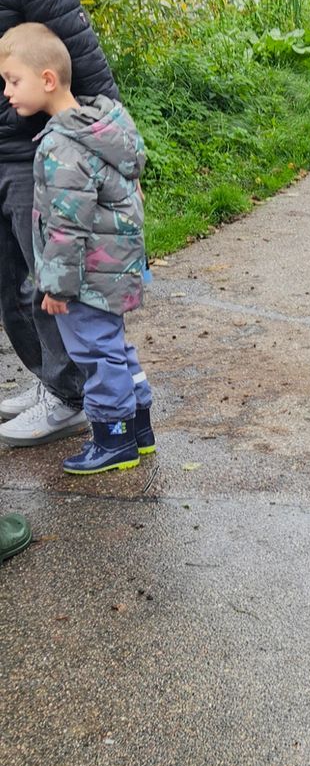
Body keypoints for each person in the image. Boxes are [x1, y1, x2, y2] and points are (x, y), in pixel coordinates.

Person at [0, 23, 152, 474]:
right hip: (112, 269)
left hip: (86, 277)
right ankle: (139, 429)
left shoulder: (63, 146)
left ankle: (114, 440)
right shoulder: (98, 126)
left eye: (13, 80)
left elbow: (67, 227)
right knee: (114, 348)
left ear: (47, 79)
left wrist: (56, 287)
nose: (7, 92)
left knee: (94, 354)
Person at [0, 0, 120, 448]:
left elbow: (84, 63)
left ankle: (69, 397)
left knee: (44, 281)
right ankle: (51, 378)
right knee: (9, 287)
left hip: (29, 154)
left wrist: (112, 157)